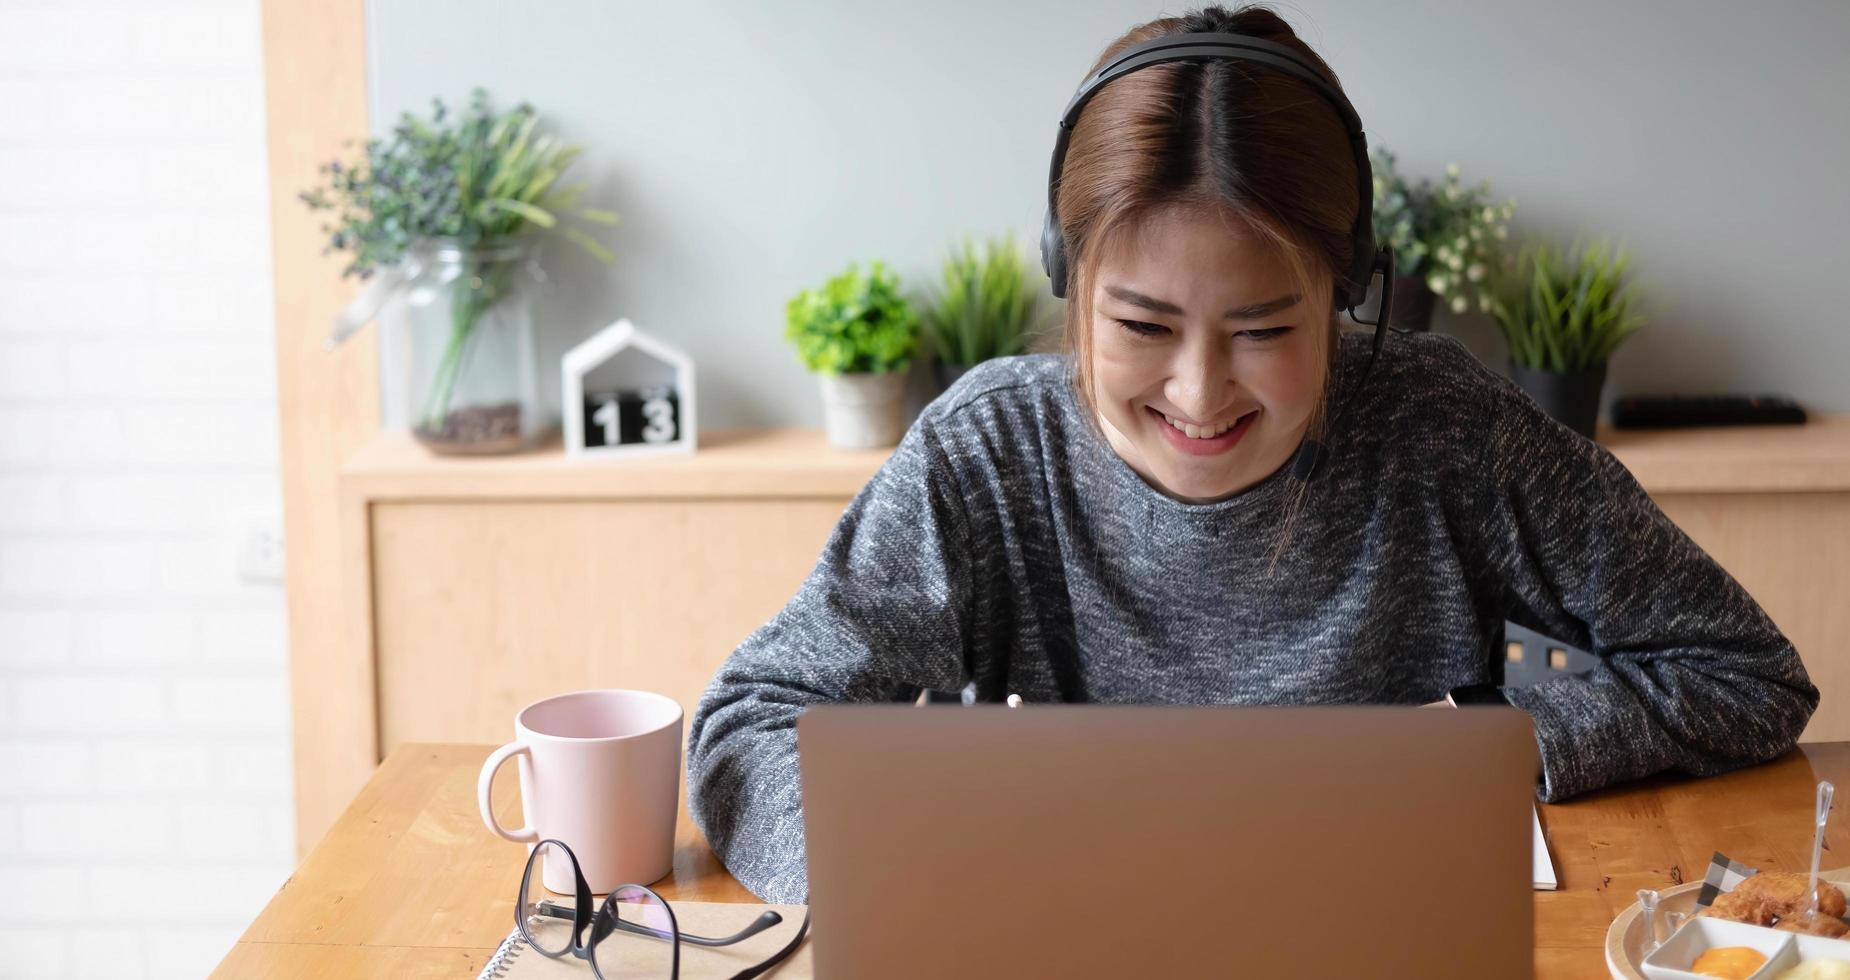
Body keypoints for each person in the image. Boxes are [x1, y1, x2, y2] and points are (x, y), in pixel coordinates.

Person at [685, 4, 1818, 904]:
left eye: (1266, 329)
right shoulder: (985, 449)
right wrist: (916, 885)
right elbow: (747, 725)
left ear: (1349, 292)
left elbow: (1745, 671)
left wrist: (1484, 749)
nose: (1196, 391)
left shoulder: (1443, 425)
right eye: (1138, 326)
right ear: (1065, 282)